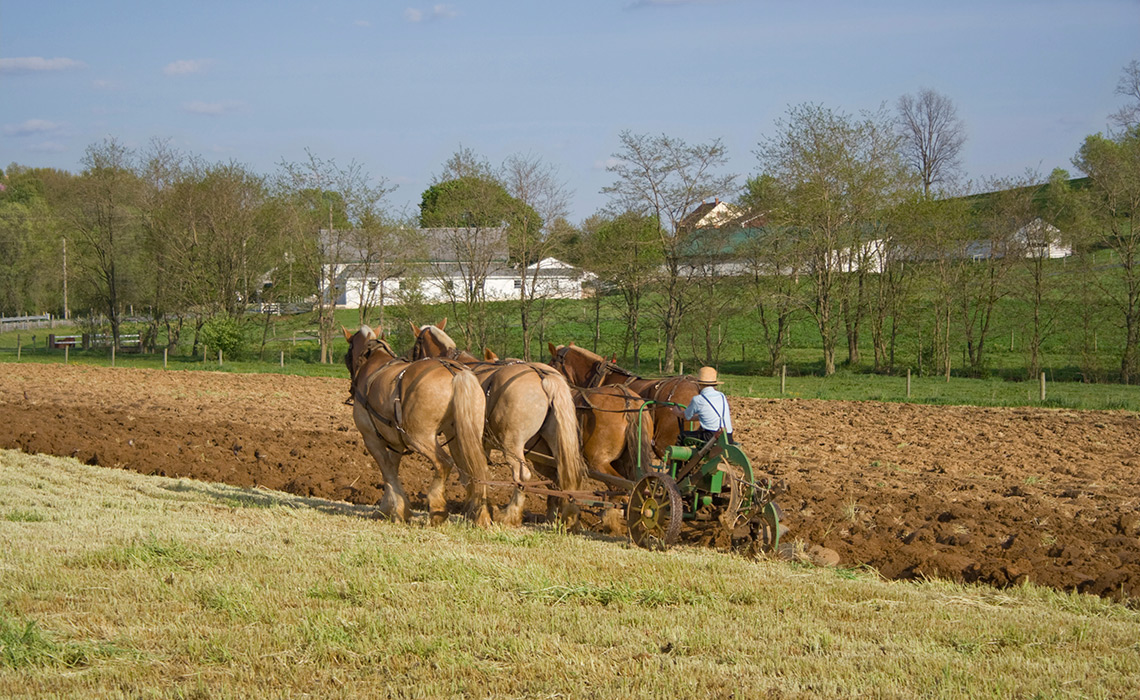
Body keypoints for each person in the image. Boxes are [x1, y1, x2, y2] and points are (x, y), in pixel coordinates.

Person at [681, 366, 735, 444]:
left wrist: (676, 411)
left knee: (681, 436)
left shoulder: (698, 399)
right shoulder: (722, 396)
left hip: (712, 436)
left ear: (699, 384)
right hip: (728, 435)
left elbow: (686, 416)